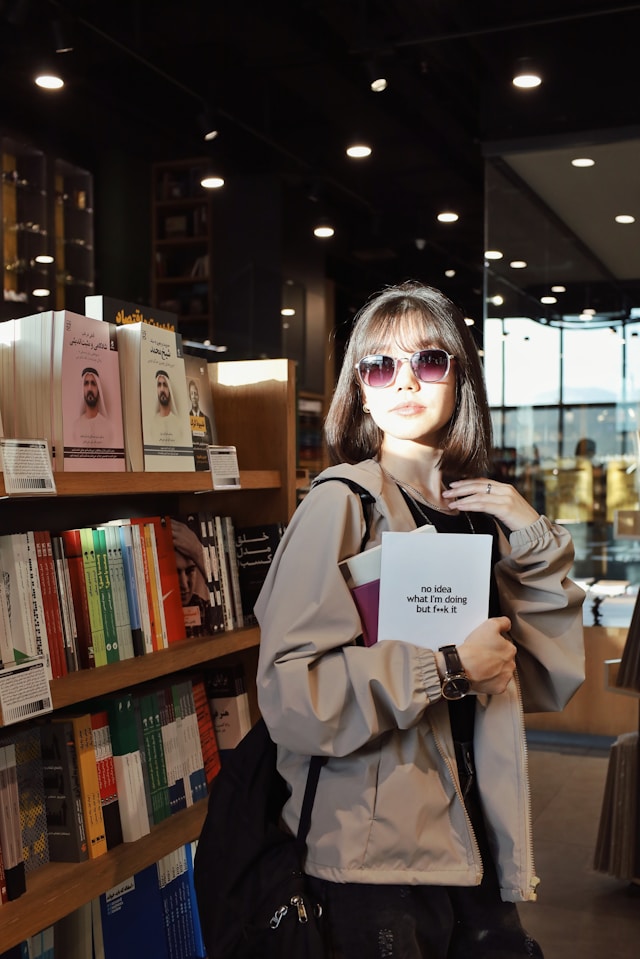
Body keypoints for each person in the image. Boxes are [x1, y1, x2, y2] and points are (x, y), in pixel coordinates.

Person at [255, 281, 585, 959]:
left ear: (459, 377)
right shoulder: (340, 506)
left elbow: (547, 677)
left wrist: (532, 536)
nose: (404, 381)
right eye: (380, 366)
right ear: (360, 390)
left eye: (428, 361)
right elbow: (291, 694)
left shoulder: (480, 517)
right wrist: (446, 668)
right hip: (374, 855)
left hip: (473, 836)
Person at [71, 366, 116, 447]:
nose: (90, 388)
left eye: (93, 384)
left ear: (98, 390)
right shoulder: (76, 427)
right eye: (86, 383)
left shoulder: (108, 427)